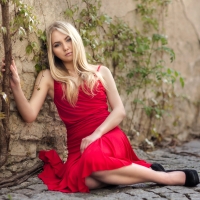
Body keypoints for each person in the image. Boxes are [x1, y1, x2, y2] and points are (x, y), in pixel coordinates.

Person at [1, 21, 199, 193]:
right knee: (84, 180)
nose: (65, 47)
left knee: (93, 163)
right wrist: (16, 87)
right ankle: (135, 173)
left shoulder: (101, 71)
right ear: (53, 51)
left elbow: (119, 110)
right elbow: (29, 115)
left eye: (68, 39)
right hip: (78, 148)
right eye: (57, 45)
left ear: (76, 39)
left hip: (107, 136)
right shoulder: (48, 77)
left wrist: (96, 134)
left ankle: (168, 177)